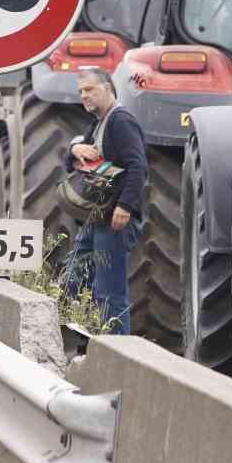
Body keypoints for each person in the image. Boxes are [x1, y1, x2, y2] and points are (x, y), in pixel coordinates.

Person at [63, 66, 147, 335]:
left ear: (108, 89)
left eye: (90, 89)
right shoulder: (98, 123)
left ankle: (117, 351)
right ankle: (86, 335)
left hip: (114, 220)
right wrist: (75, 148)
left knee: (110, 293)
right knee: (74, 277)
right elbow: (71, 161)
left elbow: (138, 166)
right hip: (96, 219)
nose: (84, 96)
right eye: (81, 92)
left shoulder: (121, 121)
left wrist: (125, 206)